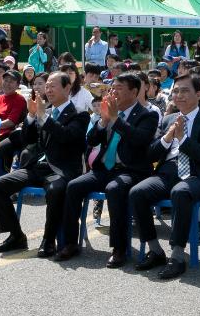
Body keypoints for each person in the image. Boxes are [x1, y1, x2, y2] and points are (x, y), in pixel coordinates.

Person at [127, 74, 200, 279]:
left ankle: (177, 256)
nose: (179, 95)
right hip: (169, 170)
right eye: (176, 91)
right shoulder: (169, 118)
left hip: (197, 174)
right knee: (137, 192)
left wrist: (183, 139)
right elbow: (151, 154)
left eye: (185, 90)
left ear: (199, 94)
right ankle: (155, 250)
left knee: (180, 193)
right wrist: (167, 138)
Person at [64, 73, 160, 267]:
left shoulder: (147, 115)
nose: (113, 92)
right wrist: (103, 122)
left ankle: (119, 248)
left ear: (134, 91)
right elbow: (91, 140)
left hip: (131, 170)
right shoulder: (108, 111)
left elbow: (140, 139)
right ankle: (70, 243)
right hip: (105, 168)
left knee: (115, 189)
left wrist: (116, 119)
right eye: (112, 88)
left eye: (119, 88)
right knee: (74, 186)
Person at [0, 72, 89, 254]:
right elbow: (27, 140)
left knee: (55, 190)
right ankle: (16, 235)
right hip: (37, 167)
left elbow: (67, 137)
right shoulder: (45, 112)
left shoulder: (79, 114)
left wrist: (43, 117)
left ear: (67, 88)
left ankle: (48, 240)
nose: (48, 90)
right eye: (47, 86)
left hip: (61, 169)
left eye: (53, 86)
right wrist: (32, 116)